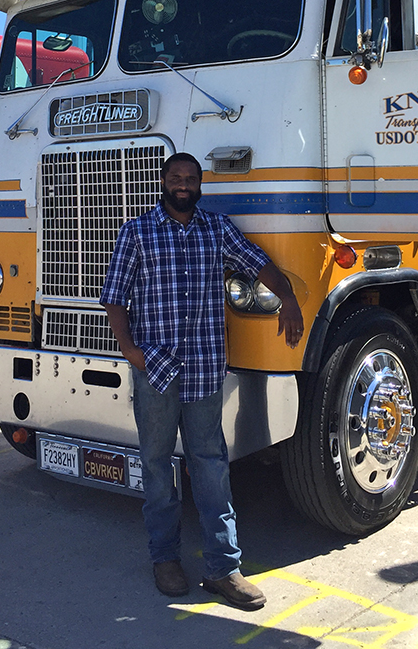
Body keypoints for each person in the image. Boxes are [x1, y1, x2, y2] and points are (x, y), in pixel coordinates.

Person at [101, 151, 303, 610]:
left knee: (211, 465)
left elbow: (256, 262)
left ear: (199, 184)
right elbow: (114, 296)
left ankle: (223, 569)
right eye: (176, 177)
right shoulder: (137, 232)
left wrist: (288, 296)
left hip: (205, 368)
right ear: (163, 181)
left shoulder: (217, 229)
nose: (183, 184)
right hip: (156, 369)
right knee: (156, 466)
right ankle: (165, 559)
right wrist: (131, 351)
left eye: (190, 178)